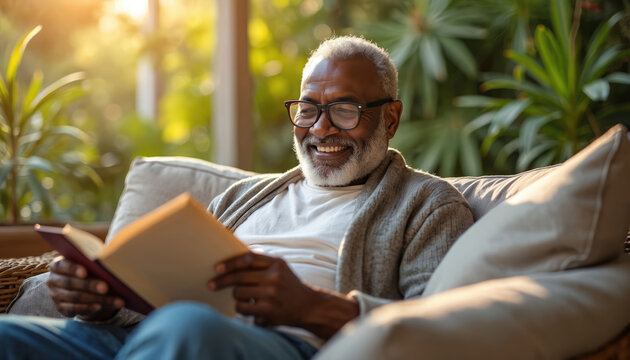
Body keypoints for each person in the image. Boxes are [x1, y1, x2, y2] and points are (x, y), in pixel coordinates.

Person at [0, 35, 474, 359]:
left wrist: (309, 307)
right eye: (308, 109)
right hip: (156, 336)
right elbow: (161, 294)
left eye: (345, 110)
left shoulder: (428, 205)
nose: (321, 127)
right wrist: (99, 299)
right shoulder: (241, 198)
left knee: (187, 327)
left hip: (283, 345)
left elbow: (445, 331)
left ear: (389, 119)